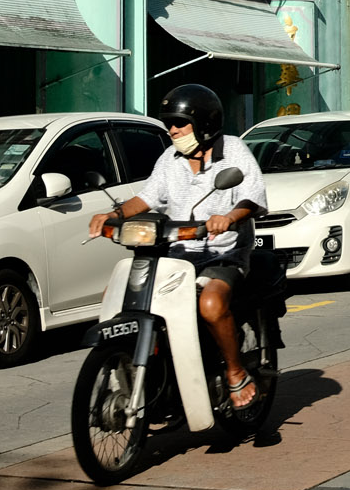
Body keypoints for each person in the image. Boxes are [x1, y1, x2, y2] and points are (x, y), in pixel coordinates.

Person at [89, 84, 268, 410]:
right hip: (176, 253)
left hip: (223, 252)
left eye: (179, 124)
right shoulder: (170, 159)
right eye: (169, 123)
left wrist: (228, 217)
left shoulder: (234, 150)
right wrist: (112, 215)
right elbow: (146, 197)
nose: (172, 130)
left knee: (211, 304)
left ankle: (235, 372)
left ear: (205, 124)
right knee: (116, 295)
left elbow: (251, 198)